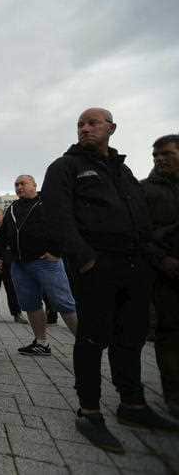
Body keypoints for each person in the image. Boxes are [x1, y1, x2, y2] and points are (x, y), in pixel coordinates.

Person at [42, 108, 177, 452]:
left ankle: (132, 404)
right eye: (80, 124)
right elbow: (57, 217)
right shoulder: (65, 167)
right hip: (96, 267)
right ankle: (89, 412)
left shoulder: (123, 170)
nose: (85, 128)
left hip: (135, 267)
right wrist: (85, 260)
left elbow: (140, 217)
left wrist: (152, 257)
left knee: (129, 338)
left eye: (93, 123)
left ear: (112, 128)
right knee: (91, 339)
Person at [0, 175, 78, 356]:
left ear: (34, 185)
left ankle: (85, 343)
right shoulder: (13, 208)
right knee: (30, 304)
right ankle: (42, 343)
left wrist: (57, 251)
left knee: (63, 302)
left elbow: (65, 226)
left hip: (45, 262)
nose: (19, 187)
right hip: (19, 264)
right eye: (16, 184)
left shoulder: (46, 203)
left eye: (23, 183)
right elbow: (3, 234)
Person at [141, 134, 179, 417]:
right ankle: (174, 396)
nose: (160, 159)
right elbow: (140, 234)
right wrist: (161, 259)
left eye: (166, 153)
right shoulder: (146, 191)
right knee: (169, 334)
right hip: (165, 271)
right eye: (156, 156)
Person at [0, 208, 27, 324]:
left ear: (3, 216)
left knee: (12, 291)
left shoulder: (9, 229)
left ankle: (17, 314)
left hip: (8, 265)